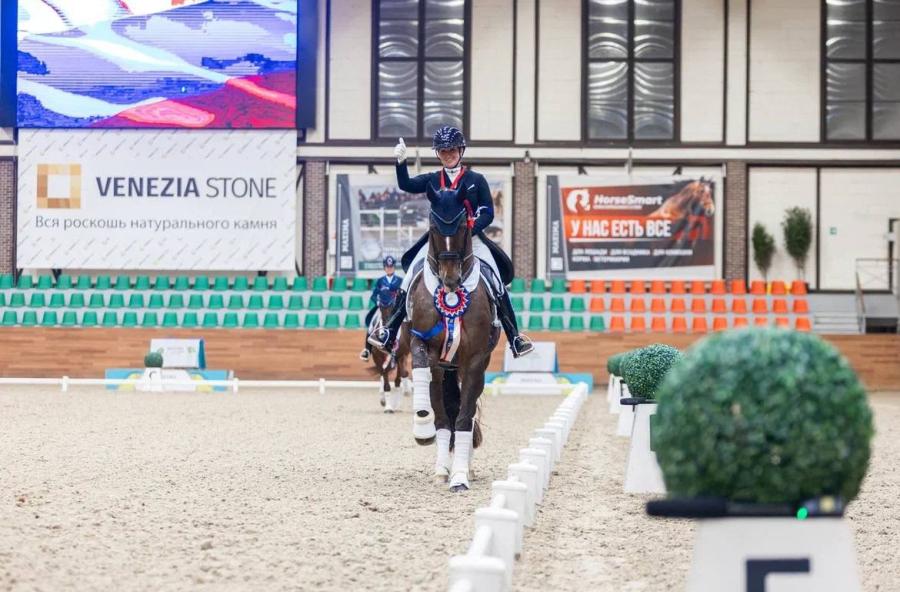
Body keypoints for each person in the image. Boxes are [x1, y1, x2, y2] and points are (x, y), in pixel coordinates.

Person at [368, 126, 533, 358]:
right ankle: (389, 331)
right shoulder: (433, 179)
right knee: (409, 276)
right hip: (438, 243)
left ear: (461, 151)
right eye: (443, 151)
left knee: (496, 281)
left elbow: (488, 212)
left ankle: (515, 337)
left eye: (452, 150)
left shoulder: (476, 180)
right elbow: (406, 185)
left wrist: (471, 228)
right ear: (438, 154)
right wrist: (401, 162)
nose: (448, 155)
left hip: (471, 241)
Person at [359, 256, 403, 361]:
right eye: (387, 267)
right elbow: (374, 295)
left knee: (404, 325)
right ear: (384, 268)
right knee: (372, 324)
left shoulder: (400, 281)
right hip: (382, 308)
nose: (389, 269)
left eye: (391, 267)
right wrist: (377, 302)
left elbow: (402, 295)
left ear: (394, 267)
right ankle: (367, 350)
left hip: (395, 310)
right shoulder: (380, 281)